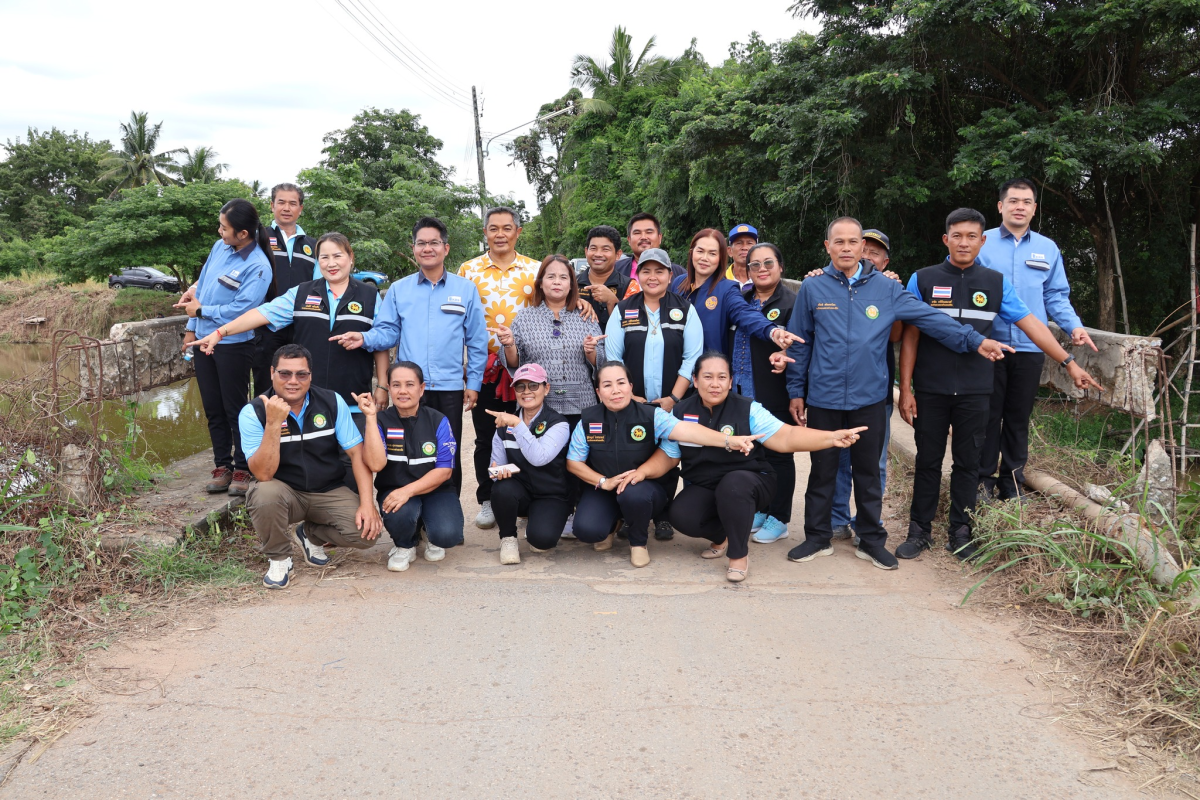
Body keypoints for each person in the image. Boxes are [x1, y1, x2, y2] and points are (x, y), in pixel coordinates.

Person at [782, 216, 1012, 571]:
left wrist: (975, 340)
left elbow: (931, 318)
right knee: (822, 470)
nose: (846, 248)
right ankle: (817, 536)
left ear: (863, 248)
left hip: (870, 397)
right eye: (838, 242)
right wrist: (797, 391)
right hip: (823, 397)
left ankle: (871, 540)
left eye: (852, 242)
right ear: (827, 247)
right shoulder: (813, 289)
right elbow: (799, 342)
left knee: (868, 473)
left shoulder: (887, 290)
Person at [897, 208, 1103, 560]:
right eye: (957, 236)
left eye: (971, 236)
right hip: (931, 388)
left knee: (968, 463)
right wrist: (906, 389)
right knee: (928, 460)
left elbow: (1033, 325)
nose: (964, 242)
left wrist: (1068, 363)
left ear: (982, 241)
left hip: (978, 389)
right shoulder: (922, 279)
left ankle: (961, 533)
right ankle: (919, 532)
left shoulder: (995, 283)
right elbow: (910, 337)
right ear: (946, 239)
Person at [666, 352, 866, 582]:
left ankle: (738, 555)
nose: (715, 384)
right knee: (681, 515)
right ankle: (722, 536)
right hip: (706, 483)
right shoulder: (680, 412)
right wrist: (640, 473)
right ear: (695, 380)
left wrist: (831, 438)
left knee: (733, 486)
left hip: (751, 481)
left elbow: (787, 436)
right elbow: (668, 455)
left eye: (722, 377)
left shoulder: (747, 408)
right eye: (707, 377)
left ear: (731, 381)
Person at [458, 207, 593, 529]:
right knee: (489, 436)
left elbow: (560, 295)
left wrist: (580, 303)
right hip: (489, 365)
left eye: (507, 228)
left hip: (528, 374)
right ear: (485, 232)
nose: (500, 233)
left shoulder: (534, 269)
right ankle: (491, 498)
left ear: (518, 231)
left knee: (534, 435)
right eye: (493, 228)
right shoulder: (468, 269)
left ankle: (546, 501)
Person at [331, 217, 487, 495]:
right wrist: (364, 337)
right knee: (404, 451)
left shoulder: (465, 289)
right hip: (407, 389)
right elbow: (387, 333)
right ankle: (409, 520)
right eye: (421, 243)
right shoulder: (399, 290)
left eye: (434, 243)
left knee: (445, 455)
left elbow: (476, 340)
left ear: (446, 248)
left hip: (448, 388)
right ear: (413, 248)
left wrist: (473, 384)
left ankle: (444, 519)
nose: (428, 248)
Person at [565, 362, 764, 567]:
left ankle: (638, 543)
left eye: (621, 383)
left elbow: (688, 431)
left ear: (631, 386)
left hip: (643, 488)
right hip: (605, 486)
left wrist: (729, 440)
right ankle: (612, 525)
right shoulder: (588, 420)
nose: (615, 390)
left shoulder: (652, 415)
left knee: (633, 495)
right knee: (587, 531)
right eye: (607, 385)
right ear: (598, 391)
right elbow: (573, 462)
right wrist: (603, 482)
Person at [191, 231, 389, 436]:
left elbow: (381, 341)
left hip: (353, 402)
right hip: (307, 402)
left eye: (337, 256)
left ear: (350, 257)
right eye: (324, 257)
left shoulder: (370, 296)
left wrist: (382, 386)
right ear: (317, 260)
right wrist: (221, 332)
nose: (331, 263)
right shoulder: (301, 293)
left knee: (353, 464)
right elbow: (261, 313)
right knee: (307, 464)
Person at [977, 178, 1098, 502]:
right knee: (988, 417)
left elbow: (1056, 297)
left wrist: (1074, 326)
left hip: (1032, 349)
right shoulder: (981, 242)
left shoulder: (1047, 248)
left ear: (1034, 208)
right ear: (1001, 206)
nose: (1020, 206)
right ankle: (982, 485)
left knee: (1018, 418)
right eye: (1013, 201)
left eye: (1026, 202)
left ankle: (1012, 485)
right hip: (990, 346)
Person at [240, 344, 383, 589]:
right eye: (285, 373)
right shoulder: (253, 413)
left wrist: (368, 504)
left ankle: (309, 534)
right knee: (264, 493)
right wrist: (273, 424)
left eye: (301, 374)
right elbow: (263, 473)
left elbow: (356, 454)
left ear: (310, 376)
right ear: (272, 372)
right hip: (285, 493)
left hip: (328, 489)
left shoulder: (331, 401)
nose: (293, 381)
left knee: (367, 534)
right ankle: (279, 558)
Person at [604, 248, 703, 541]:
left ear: (670, 276)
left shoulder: (684, 309)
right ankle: (631, 514)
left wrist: (674, 398)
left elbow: (692, 357)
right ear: (638, 275)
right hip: (633, 400)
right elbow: (613, 356)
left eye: (659, 271)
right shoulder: (624, 309)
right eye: (646, 271)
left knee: (669, 453)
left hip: (673, 400)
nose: (653, 277)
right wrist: (627, 395)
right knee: (634, 450)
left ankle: (663, 516)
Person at [176, 198, 272, 497]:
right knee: (213, 408)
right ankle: (222, 465)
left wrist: (202, 313)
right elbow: (202, 286)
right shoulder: (220, 248)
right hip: (204, 342)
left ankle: (243, 468)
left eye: (224, 227)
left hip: (233, 344)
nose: (220, 231)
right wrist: (191, 329)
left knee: (236, 409)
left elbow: (243, 308)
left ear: (243, 233)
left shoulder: (258, 266)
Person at [829, 229, 902, 544]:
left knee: (873, 462)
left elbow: (897, 336)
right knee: (838, 458)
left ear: (884, 261)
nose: (867, 256)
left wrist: (894, 295)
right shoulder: (829, 285)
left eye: (875, 253)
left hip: (875, 392)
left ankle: (867, 522)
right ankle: (836, 519)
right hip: (835, 390)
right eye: (864, 249)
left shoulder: (889, 290)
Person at [357, 361, 463, 573]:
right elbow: (376, 464)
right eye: (396, 385)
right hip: (394, 490)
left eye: (409, 384)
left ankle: (428, 531)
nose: (402, 391)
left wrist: (407, 491)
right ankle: (405, 544)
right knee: (401, 514)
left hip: (435, 490)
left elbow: (444, 471)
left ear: (421, 388)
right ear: (389, 387)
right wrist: (369, 418)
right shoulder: (380, 420)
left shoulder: (438, 420)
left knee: (447, 534)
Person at [730, 243, 797, 545]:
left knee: (780, 455)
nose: (761, 269)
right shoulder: (741, 301)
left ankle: (780, 518)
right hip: (742, 391)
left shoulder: (792, 303)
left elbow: (802, 347)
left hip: (775, 391)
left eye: (768, 263)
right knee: (756, 455)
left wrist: (797, 391)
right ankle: (764, 508)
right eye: (754, 264)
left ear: (781, 266)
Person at [496, 255, 605, 427]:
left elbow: (602, 361)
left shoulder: (585, 315)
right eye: (551, 276)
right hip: (536, 406)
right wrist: (509, 343)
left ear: (571, 285)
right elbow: (514, 362)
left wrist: (591, 351)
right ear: (540, 282)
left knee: (578, 454)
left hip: (581, 406)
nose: (557, 282)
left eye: (563, 277)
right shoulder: (524, 317)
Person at [486, 363, 573, 564]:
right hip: (520, 490)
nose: (527, 392)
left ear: (546, 388)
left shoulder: (558, 423)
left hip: (551, 493)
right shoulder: (503, 425)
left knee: (542, 541)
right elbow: (494, 466)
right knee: (501, 489)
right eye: (520, 387)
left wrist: (517, 425)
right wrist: (497, 472)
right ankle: (507, 538)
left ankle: (537, 523)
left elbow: (539, 458)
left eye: (533, 386)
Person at [671, 228, 801, 357]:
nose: (705, 258)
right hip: (676, 367)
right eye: (700, 251)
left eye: (712, 253)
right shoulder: (678, 283)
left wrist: (771, 331)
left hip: (708, 371)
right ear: (691, 253)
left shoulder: (727, 289)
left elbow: (744, 313)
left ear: (721, 258)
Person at [252, 183, 319, 393]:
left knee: (302, 382)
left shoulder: (313, 245)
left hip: (303, 325)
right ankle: (267, 423)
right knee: (266, 382)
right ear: (272, 205)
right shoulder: (257, 238)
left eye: (293, 203)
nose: (286, 208)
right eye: (281, 202)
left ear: (301, 208)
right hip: (266, 326)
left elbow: (321, 284)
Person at [577, 225, 639, 328]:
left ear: (618, 254)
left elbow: (633, 329)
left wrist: (612, 302)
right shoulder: (571, 283)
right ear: (586, 251)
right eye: (593, 248)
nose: (598, 254)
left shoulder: (630, 286)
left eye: (605, 249)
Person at [614, 212, 685, 282]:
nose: (643, 237)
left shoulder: (679, 273)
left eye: (649, 232)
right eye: (637, 233)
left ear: (660, 238)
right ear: (629, 240)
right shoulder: (615, 269)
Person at [724, 223, 758, 288]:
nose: (744, 247)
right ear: (730, 251)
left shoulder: (766, 279)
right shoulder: (719, 281)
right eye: (739, 243)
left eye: (749, 243)